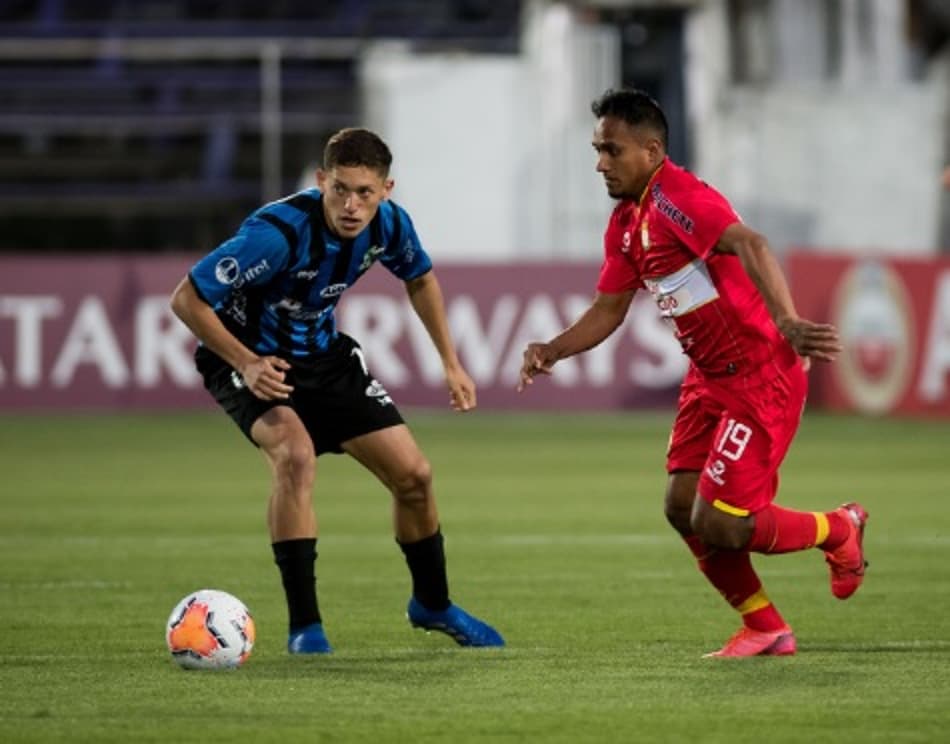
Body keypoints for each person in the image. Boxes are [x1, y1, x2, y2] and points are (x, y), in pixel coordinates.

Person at [518, 88, 867, 657]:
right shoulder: (627, 221)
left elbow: (751, 242)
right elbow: (609, 308)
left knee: (726, 523)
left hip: (759, 375)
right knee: (681, 508)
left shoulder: (678, 198)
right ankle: (764, 626)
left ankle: (839, 527)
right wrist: (553, 349)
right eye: (597, 150)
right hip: (707, 379)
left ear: (652, 150)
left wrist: (787, 319)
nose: (600, 163)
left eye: (612, 150)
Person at [171, 127, 503, 653]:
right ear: (321, 180)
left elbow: (419, 277)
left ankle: (433, 605)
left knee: (414, 476)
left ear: (386, 190)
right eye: (340, 189)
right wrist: (248, 362)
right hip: (247, 356)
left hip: (324, 358)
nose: (351, 205)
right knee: (295, 457)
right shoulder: (275, 235)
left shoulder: (389, 225)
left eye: (365, 193)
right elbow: (187, 299)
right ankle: (307, 628)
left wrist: (451, 361)